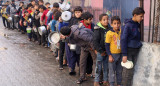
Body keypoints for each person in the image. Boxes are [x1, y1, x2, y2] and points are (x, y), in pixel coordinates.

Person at [121, 7, 145, 86]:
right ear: (135, 15)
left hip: (135, 50)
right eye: (141, 16)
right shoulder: (128, 25)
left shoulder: (136, 24)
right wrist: (124, 54)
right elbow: (123, 40)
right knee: (127, 72)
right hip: (129, 51)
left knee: (131, 71)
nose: (142, 18)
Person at [93, 14, 112, 86]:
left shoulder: (110, 29)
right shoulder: (98, 29)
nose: (106, 21)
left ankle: (105, 80)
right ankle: (96, 81)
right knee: (99, 67)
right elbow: (95, 41)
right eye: (104, 20)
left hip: (107, 51)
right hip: (100, 52)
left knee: (106, 67)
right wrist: (100, 51)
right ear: (100, 21)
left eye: (107, 19)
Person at [105, 16, 122, 86]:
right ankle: (111, 83)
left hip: (120, 54)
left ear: (120, 24)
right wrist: (109, 55)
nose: (116, 25)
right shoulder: (109, 33)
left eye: (118, 23)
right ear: (111, 24)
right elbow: (107, 45)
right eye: (114, 23)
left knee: (119, 70)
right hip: (112, 55)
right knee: (112, 71)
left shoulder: (121, 31)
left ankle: (119, 83)